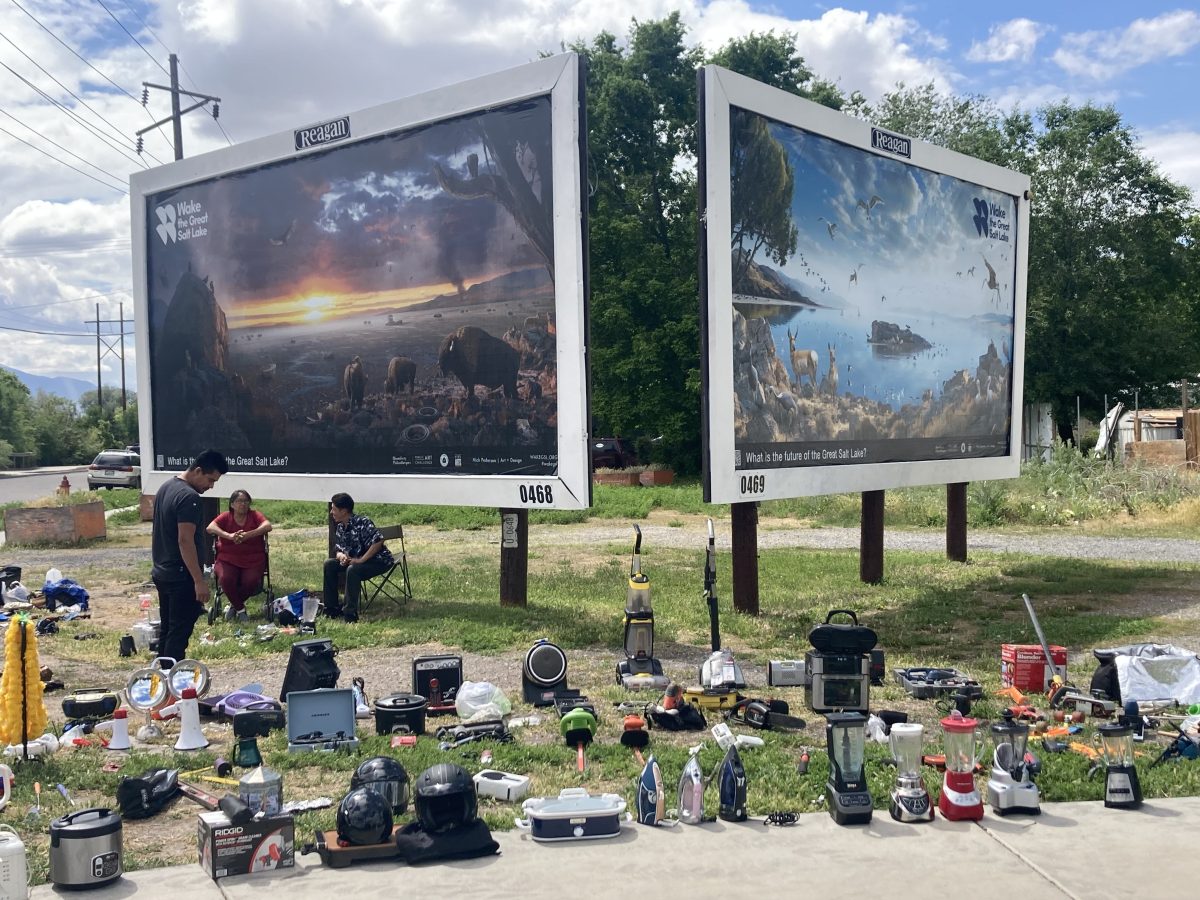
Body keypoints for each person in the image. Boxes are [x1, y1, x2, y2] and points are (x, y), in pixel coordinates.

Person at [151, 449, 228, 661]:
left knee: (167, 631)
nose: (210, 486)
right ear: (198, 470)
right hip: (180, 575)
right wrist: (198, 580)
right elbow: (185, 540)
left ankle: (162, 680)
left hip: (162, 571)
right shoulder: (189, 498)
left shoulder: (166, 487)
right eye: (210, 480)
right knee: (178, 636)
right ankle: (172, 686)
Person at [323, 493, 393, 623]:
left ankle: (349, 613)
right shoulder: (339, 527)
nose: (331, 512)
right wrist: (341, 556)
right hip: (354, 561)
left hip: (378, 561)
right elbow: (338, 548)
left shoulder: (362, 522)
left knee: (353, 569)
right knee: (329, 564)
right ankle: (331, 608)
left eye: (334, 509)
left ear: (344, 511)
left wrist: (361, 560)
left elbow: (378, 541)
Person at [206, 489, 272, 623]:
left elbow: (267, 526)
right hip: (227, 558)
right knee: (225, 579)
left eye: (246, 501)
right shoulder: (225, 516)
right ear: (232, 504)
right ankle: (241, 610)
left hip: (253, 558)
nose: (243, 504)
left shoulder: (254, 515)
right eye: (239, 501)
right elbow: (210, 527)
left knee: (251, 581)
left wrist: (249, 534)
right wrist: (228, 536)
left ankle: (234, 605)